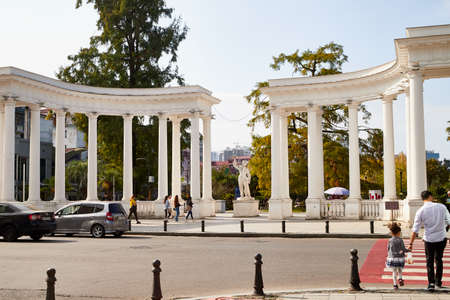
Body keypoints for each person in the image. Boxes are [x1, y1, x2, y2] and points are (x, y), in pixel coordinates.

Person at [409, 190, 450, 291]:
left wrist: (411, 243)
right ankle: (438, 282)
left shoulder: (420, 211)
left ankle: (431, 283)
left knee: (429, 261)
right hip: (441, 238)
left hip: (429, 239)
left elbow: (415, 230)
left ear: (422, 199)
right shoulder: (442, 207)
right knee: (439, 260)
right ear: (430, 196)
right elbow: (449, 221)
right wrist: (445, 229)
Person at [386, 222, 407, 289]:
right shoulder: (400, 240)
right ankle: (400, 278)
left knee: (394, 271)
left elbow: (388, 248)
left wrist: (389, 255)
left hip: (393, 258)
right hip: (400, 258)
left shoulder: (390, 240)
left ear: (391, 232)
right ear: (399, 232)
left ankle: (395, 285)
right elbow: (403, 249)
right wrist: (408, 250)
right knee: (400, 270)